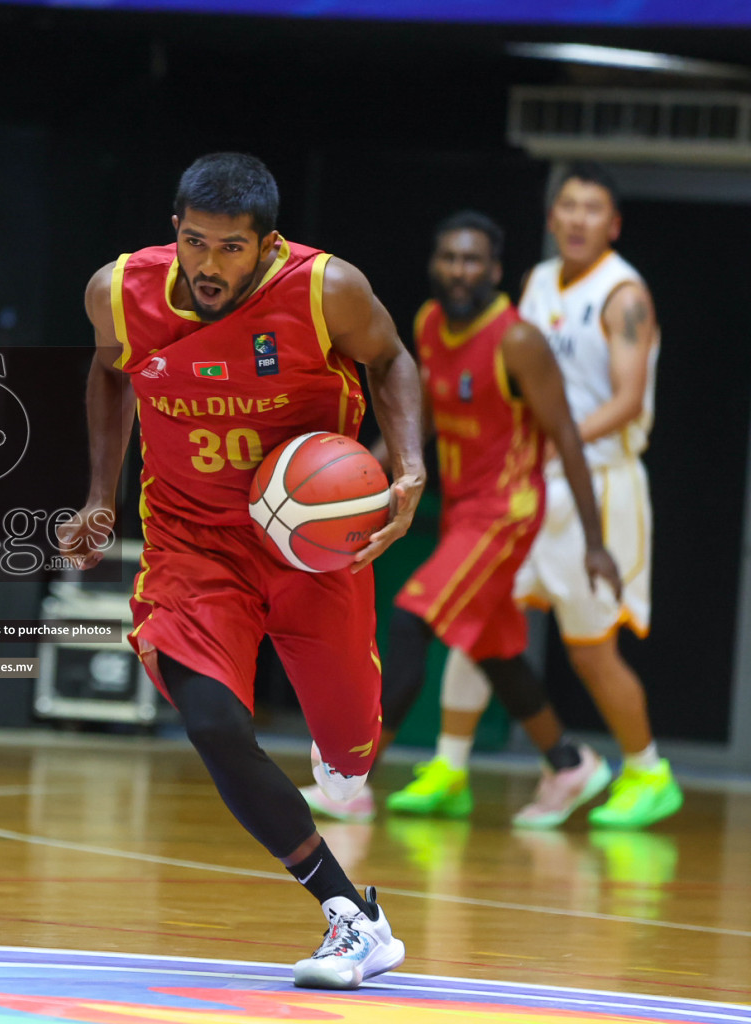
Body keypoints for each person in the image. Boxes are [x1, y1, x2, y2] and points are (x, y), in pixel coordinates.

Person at [57, 153, 423, 990]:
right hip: (193, 545)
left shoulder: (327, 290)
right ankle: (350, 915)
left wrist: (407, 469)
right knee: (217, 724)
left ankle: (345, 756)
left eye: (230, 248)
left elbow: (393, 358)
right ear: (173, 230)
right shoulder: (117, 291)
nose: (209, 264)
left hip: (309, 549)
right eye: (195, 243)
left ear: (267, 244)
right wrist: (98, 495)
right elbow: (109, 373)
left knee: (351, 753)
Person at [300, 212, 623, 828]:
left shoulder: (517, 341)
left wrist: (595, 541)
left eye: (472, 259)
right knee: (497, 651)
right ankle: (569, 763)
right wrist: (357, 477)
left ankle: (354, 780)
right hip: (462, 512)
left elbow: (568, 441)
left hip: (506, 514)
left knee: (409, 621)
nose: (458, 269)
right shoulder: (426, 324)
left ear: (495, 270)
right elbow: (419, 413)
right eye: (449, 257)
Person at [414, 165, 679, 830]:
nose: (580, 219)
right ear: (552, 217)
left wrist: (545, 438)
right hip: (528, 485)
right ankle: (450, 764)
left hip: (599, 479)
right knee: (476, 618)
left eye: (594, 209)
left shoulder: (623, 296)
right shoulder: (532, 283)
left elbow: (625, 401)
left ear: (612, 224)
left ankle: (649, 772)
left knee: (590, 648)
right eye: (569, 207)